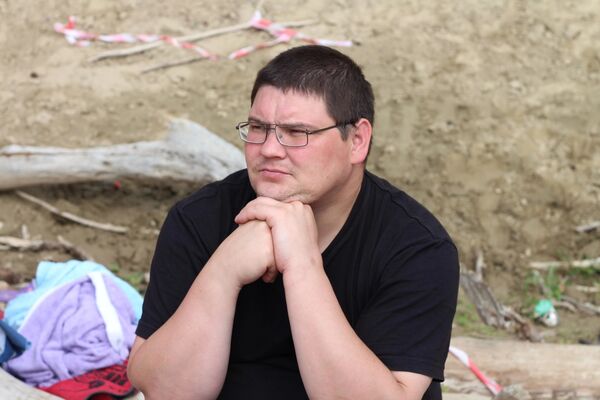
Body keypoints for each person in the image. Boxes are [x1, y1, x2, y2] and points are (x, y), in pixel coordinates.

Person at [127, 45, 459, 400]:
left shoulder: (416, 248)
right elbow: (164, 391)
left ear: (357, 141)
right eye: (258, 127)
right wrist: (222, 272)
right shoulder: (198, 219)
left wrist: (303, 265)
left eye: (297, 132)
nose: (269, 149)